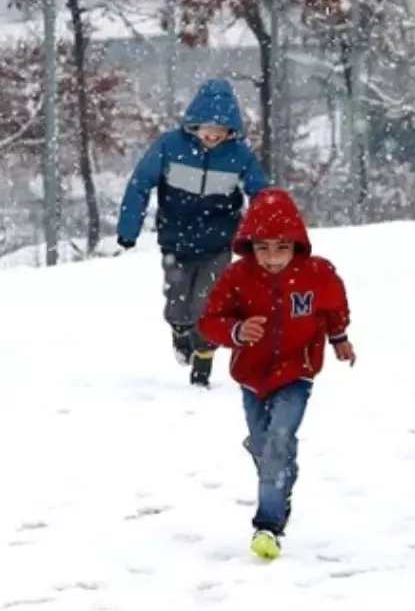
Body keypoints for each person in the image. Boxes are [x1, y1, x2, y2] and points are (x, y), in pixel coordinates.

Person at [197, 188, 354, 561]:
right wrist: (236, 331)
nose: (271, 258)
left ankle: (268, 524)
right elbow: (210, 320)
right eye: (263, 248)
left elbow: (334, 306)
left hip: (296, 371)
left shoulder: (317, 274)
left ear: (296, 245)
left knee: (279, 438)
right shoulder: (238, 277)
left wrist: (339, 338)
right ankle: (279, 472)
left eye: (281, 248)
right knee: (264, 444)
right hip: (252, 376)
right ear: (250, 246)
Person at [116, 79, 269, 387]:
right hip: (176, 240)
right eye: (207, 127)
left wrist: (267, 234)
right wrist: (128, 228)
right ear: (194, 124)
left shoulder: (239, 156)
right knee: (177, 302)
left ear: (232, 130)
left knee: (208, 304)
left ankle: (204, 357)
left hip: (218, 243)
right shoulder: (170, 147)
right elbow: (140, 184)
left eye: (222, 129)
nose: (213, 134)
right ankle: (180, 331)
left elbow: (262, 195)